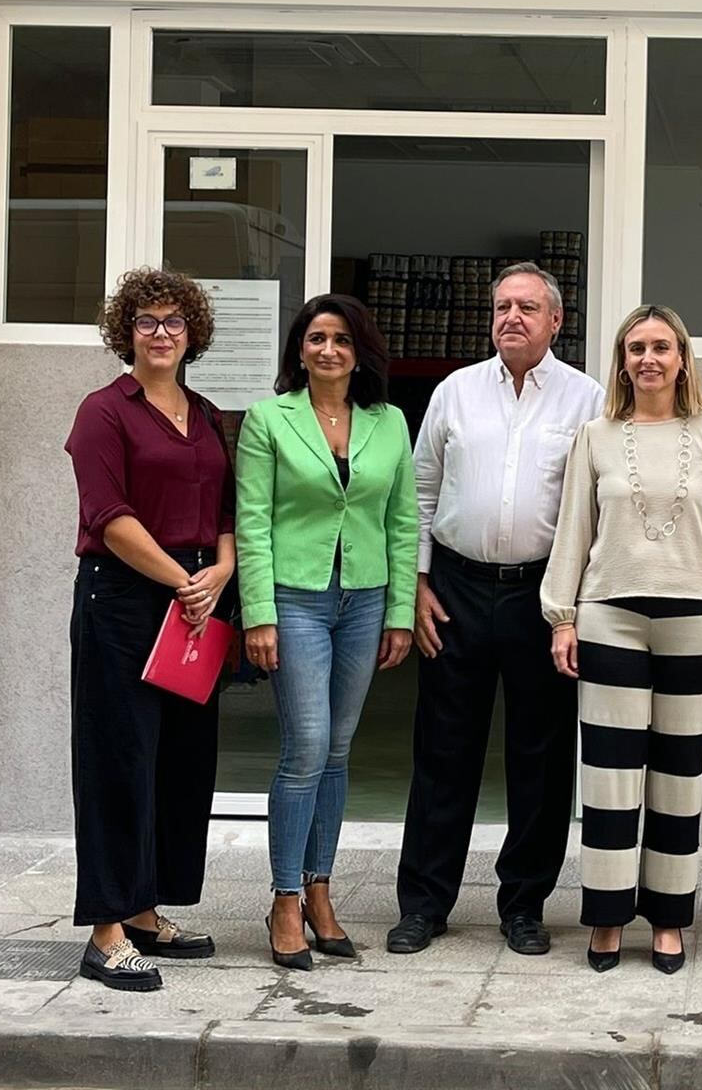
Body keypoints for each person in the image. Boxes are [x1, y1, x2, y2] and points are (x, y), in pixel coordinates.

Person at [388, 263, 603, 958]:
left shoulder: (587, 400)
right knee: (443, 751)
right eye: (503, 306)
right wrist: (417, 582)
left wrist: (572, 605)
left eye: (527, 307)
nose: (512, 317)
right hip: (454, 588)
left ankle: (524, 905)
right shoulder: (455, 392)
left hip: (541, 594)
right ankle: (424, 904)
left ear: (556, 321)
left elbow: (596, 510)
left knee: (539, 758)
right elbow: (419, 493)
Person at [542, 304, 702, 975]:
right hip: (610, 615)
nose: (649, 359)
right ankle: (606, 918)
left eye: (662, 347)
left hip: (693, 617)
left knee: (677, 779)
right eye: (636, 348)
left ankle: (667, 919)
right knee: (608, 779)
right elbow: (573, 528)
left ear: (682, 358)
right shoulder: (597, 435)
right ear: (622, 360)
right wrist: (562, 616)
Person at [64, 268, 236, 993]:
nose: (160, 333)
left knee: (177, 764)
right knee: (117, 762)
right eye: (146, 322)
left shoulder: (206, 413)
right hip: (126, 600)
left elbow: (229, 508)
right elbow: (108, 515)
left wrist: (220, 572)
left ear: (192, 332)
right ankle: (106, 933)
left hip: (196, 600)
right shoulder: (103, 413)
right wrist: (183, 579)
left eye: (173, 321)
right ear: (124, 333)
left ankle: (144, 910)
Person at [236, 293, 419, 970]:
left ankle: (320, 890)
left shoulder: (389, 422)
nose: (329, 350)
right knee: (305, 746)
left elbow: (403, 522)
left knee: (339, 749)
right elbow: (252, 519)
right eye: (316, 338)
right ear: (300, 350)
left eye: (341, 338)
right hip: (295, 598)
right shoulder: (268, 420)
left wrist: (400, 611)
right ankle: (284, 896)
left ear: (357, 350)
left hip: (365, 599)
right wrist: (258, 611)